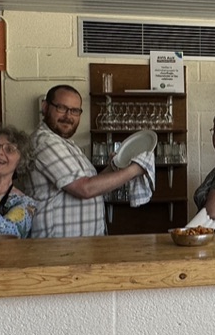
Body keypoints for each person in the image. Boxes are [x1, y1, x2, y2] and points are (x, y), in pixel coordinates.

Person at [27, 84, 146, 237]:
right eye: (61, 108)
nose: (68, 116)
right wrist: (135, 169)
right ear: (45, 107)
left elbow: (91, 183)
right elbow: (84, 189)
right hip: (58, 245)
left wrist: (114, 167)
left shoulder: (66, 143)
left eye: (75, 111)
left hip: (79, 244)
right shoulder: (44, 142)